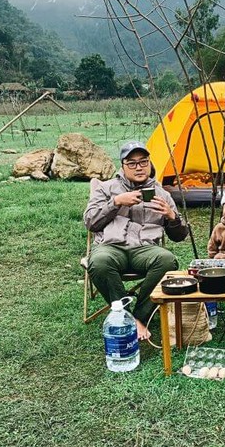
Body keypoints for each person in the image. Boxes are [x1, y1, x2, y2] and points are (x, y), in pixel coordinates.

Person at [84, 141, 188, 340]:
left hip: (145, 250)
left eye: (143, 162)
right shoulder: (106, 189)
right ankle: (127, 315)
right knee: (99, 262)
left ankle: (138, 317)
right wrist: (115, 203)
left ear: (149, 164)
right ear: (122, 166)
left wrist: (172, 217)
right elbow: (90, 222)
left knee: (167, 260)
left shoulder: (162, 194)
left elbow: (179, 236)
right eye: (131, 163)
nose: (139, 167)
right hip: (111, 247)